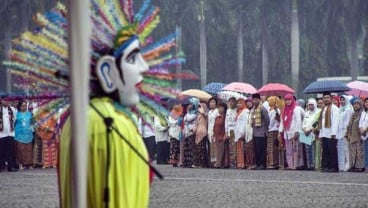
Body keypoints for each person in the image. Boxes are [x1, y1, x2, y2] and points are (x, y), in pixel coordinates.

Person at [59, 22, 150, 208]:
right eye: (133, 58)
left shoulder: (75, 120)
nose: (144, 67)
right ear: (106, 72)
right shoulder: (111, 124)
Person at [279, 94, 303, 170]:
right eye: (286, 100)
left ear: (292, 100)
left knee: (295, 149)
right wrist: (280, 131)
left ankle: (296, 165)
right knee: (288, 150)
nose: (287, 101)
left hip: (294, 132)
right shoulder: (284, 110)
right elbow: (282, 121)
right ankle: (290, 165)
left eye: (289, 100)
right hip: (287, 133)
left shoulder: (296, 109)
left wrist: (297, 131)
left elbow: (298, 120)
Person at [319, 92, 339, 172]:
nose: (326, 99)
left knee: (332, 151)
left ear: (331, 98)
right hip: (324, 133)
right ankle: (326, 166)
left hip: (331, 133)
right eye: (324, 98)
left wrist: (333, 133)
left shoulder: (334, 108)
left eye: (327, 97)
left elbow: (335, 121)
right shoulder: (323, 108)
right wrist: (321, 133)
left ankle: (333, 167)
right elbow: (322, 121)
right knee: (325, 151)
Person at [345, 98, 365, 172]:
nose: (356, 106)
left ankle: (360, 166)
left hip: (359, 136)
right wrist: (348, 134)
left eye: (357, 104)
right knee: (353, 152)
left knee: (359, 152)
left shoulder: (362, 114)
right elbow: (349, 125)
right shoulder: (353, 114)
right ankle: (353, 165)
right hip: (352, 136)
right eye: (354, 104)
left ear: (361, 105)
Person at [251, 93, 270, 170]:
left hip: (262, 133)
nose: (254, 101)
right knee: (256, 150)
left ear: (259, 100)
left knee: (261, 149)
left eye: (256, 99)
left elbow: (267, 120)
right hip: (255, 132)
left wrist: (265, 129)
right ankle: (258, 163)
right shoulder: (253, 109)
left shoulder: (262, 108)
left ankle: (262, 164)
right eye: (253, 99)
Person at [14, 100, 34, 170]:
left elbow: (32, 123)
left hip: (28, 133)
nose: (24, 107)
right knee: (20, 149)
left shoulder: (30, 114)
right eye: (23, 106)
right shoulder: (16, 114)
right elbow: (13, 123)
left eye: (25, 106)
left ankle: (29, 164)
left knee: (28, 149)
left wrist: (32, 128)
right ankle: (20, 164)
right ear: (19, 106)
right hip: (19, 134)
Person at [301, 98, 320, 170]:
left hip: (313, 133)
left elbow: (316, 123)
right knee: (307, 150)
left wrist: (310, 130)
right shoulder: (306, 113)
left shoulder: (318, 112)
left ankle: (313, 165)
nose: (310, 106)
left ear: (315, 105)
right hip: (305, 134)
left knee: (313, 150)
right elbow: (303, 123)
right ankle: (309, 165)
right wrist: (304, 130)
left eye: (312, 105)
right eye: (309, 105)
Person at [0, 96, 17, 172]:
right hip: (1, 133)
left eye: (8, 100)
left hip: (10, 133)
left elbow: (15, 119)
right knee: (1, 151)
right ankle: (1, 166)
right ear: (1, 100)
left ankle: (11, 167)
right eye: (5, 100)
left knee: (10, 151)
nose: (7, 101)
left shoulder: (12, 109)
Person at [337, 95, 353, 171]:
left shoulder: (348, 109)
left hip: (345, 131)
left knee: (347, 149)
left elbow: (348, 121)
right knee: (340, 149)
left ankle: (348, 165)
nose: (342, 101)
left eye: (343, 100)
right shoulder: (339, 109)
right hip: (339, 132)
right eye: (341, 100)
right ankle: (341, 165)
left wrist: (347, 131)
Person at [182, 97, 199, 168]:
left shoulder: (195, 113)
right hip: (186, 131)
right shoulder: (188, 113)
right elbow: (184, 119)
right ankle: (186, 162)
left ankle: (191, 162)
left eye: (191, 104)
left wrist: (188, 111)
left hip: (191, 131)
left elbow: (188, 119)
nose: (189, 105)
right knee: (186, 147)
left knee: (191, 147)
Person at [266, 96, 281, 169]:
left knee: (272, 147)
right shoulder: (271, 109)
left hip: (273, 130)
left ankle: (273, 163)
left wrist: (268, 127)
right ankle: (273, 162)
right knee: (272, 147)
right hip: (273, 130)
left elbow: (271, 121)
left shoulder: (276, 110)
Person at [194, 103, 209, 168]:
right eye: (198, 107)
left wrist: (202, 112)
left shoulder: (205, 114)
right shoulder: (198, 115)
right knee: (197, 148)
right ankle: (197, 163)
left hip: (203, 132)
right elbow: (196, 123)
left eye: (200, 106)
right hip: (198, 132)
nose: (199, 108)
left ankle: (203, 163)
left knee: (202, 148)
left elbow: (206, 116)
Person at [214, 102, 228, 168]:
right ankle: (217, 162)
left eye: (221, 108)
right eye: (219, 108)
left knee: (222, 149)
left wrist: (225, 134)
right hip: (216, 134)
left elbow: (225, 125)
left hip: (222, 134)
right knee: (217, 149)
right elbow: (214, 126)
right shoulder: (217, 117)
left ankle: (221, 163)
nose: (220, 109)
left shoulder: (225, 117)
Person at [234, 99, 247, 169]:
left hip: (242, 133)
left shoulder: (245, 111)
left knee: (242, 148)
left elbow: (244, 123)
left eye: (240, 103)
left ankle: (243, 163)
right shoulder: (238, 112)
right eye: (237, 103)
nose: (238, 105)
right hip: (237, 132)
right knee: (238, 149)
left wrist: (242, 133)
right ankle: (239, 163)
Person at [225, 97, 237, 168]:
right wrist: (226, 132)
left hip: (235, 129)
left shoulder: (237, 110)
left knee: (234, 146)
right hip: (230, 130)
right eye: (230, 102)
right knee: (230, 147)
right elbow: (226, 121)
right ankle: (231, 163)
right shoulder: (228, 110)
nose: (231, 103)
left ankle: (235, 163)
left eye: (233, 101)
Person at [208, 97, 219, 166]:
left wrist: (214, 131)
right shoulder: (209, 112)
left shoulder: (217, 111)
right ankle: (212, 161)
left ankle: (217, 161)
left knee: (215, 146)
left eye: (213, 102)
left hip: (215, 130)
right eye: (210, 102)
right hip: (209, 130)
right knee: (211, 146)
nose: (211, 104)